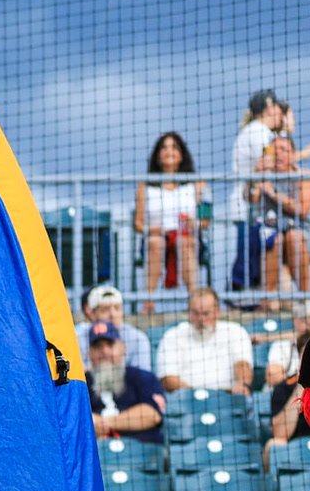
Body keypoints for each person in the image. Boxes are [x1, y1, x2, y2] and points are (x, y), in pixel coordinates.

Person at [133, 133, 207, 310]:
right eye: (164, 147)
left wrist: (194, 224)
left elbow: (206, 221)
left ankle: (193, 301)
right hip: (157, 238)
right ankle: (148, 302)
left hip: (188, 237)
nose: (169, 152)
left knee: (185, 241)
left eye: (174, 147)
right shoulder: (145, 187)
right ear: (157, 155)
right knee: (155, 243)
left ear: (182, 154)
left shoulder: (198, 185)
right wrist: (152, 230)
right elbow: (138, 223)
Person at [231, 92, 285, 292]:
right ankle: (238, 300)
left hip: (253, 206)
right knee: (247, 260)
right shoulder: (259, 131)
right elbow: (267, 165)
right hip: (248, 206)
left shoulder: (257, 130)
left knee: (253, 256)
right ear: (269, 108)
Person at [156, 287, 252, 395]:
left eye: (206, 314)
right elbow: (168, 379)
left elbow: (242, 365)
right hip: (187, 400)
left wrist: (242, 385)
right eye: (196, 313)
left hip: (228, 397)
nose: (201, 319)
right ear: (188, 312)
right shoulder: (172, 336)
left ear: (218, 312)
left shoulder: (235, 331)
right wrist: (202, 396)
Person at [250, 136, 310, 303]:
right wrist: (256, 176)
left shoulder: (303, 176)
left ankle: (305, 300)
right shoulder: (263, 175)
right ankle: (267, 301)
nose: (279, 154)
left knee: (293, 237)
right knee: (274, 240)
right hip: (270, 231)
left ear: (293, 154)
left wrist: (273, 193)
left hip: (302, 232)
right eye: (275, 150)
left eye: (283, 150)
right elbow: (250, 197)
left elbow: (302, 210)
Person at [88, 321, 165, 444]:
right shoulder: (80, 384)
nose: (105, 351)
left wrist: (102, 423)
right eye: (98, 347)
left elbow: (152, 415)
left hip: (141, 455)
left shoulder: (142, 377)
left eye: (110, 344)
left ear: (123, 348)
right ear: (89, 353)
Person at [74, 285, 152, 372]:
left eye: (117, 308)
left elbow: (143, 378)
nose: (112, 315)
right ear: (92, 314)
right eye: (105, 310)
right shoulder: (76, 339)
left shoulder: (138, 338)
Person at [268, 301, 310, 389]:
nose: (309, 325)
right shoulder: (282, 345)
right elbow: (272, 377)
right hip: (285, 394)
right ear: (296, 321)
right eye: (305, 320)